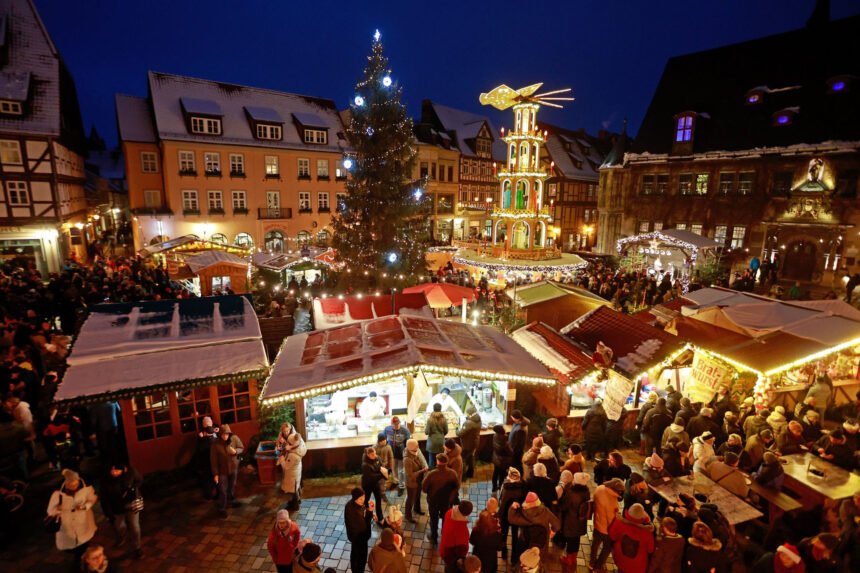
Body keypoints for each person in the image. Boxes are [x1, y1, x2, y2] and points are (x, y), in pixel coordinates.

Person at [46, 469, 98, 563]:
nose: (74, 487)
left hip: (83, 523)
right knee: (75, 550)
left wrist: (85, 506)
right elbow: (50, 511)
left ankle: (84, 563)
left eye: (75, 484)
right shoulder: (58, 494)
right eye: (71, 485)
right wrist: (58, 509)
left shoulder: (86, 489)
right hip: (67, 527)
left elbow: (93, 499)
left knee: (84, 546)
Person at [101, 462, 144, 559]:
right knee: (120, 526)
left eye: (117, 470)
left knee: (135, 527)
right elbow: (104, 498)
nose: (114, 473)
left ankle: (137, 547)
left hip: (131, 504)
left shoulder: (131, 472)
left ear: (123, 469)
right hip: (116, 507)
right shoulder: (106, 480)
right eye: (112, 470)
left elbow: (139, 480)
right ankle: (122, 537)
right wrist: (108, 513)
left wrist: (132, 488)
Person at [422, 453, 460, 544]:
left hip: (433, 501)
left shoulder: (432, 474)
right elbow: (456, 486)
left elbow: (424, 488)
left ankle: (434, 536)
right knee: (446, 518)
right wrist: (451, 497)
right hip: (447, 502)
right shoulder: (452, 473)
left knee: (433, 519)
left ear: (438, 462)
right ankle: (445, 534)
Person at [590, 478, 625, 571]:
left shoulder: (599, 488)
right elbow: (611, 520)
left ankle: (591, 563)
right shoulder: (613, 503)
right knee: (607, 548)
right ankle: (597, 566)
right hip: (606, 530)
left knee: (595, 544)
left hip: (597, 523)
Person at [556, 471, 590, 566]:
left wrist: (558, 505)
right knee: (576, 540)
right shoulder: (586, 492)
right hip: (580, 521)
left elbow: (564, 506)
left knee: (570, 541)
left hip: (571, 521)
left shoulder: (572, 493)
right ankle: (573, 558)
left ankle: (569, 560)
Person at [608, 503, 655, 573]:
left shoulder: (619, 522)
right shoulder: (647, 533)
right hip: (637, 564)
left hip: (621, 558)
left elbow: (612, 536)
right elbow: (650, 550)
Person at [210, 423, 244, 517]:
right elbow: (214, 460)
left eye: (227, 434)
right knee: (223, 490)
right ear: (220, 434)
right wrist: (216, 474)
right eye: (223, 434)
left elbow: (241, 447)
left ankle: (231, 501)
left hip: (233, 468)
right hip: (222, 471)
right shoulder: (215, 444)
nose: (225, 436)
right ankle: (222, 508)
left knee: (231, 486)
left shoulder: (234, 439)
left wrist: (236, 451)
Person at [499, 467, 527, 562]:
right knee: (515, 534)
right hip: (516, 515)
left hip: (505, 516)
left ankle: (504, 552)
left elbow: (502, 505)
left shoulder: (507, 488)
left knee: (504, 534)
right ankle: (514, 557)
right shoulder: (522, 486)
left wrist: (499, 515)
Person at [344, 487, 374, 573]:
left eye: (363, 497)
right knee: (360, 558)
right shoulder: (353, 511)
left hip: (357, 538)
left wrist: (369, 511)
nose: (363, 500)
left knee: (356, 555)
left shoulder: (353, 505)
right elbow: (364, 524)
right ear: (355, 499)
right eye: (360, 499)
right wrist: (370, 513)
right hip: (359, 539)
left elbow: (363, 513)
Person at [440, 501, 473, 573]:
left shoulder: (450, 512)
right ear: (467, 514)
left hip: (444, 548)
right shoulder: (462, 531)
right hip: (450, 556)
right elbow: (462, 551)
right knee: (450, 569)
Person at [279, 432, 307, 511]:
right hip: (296, 471)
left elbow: (286, 467)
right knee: (296, 488)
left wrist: (281, 460)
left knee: (293, 490)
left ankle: (295, 506)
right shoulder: (299, 444)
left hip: (292, 474)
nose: (287, 444)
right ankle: (297, 501)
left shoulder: (293, 455)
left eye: (289, 443)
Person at [403, 438, 428, 522]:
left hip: (418, 480)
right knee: (410, 499)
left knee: (417, 496)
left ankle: (417, 509)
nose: (418, 446)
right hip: (412, 483)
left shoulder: (415, 451)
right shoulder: (407, 460)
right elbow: (410, 475)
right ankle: (408, 515)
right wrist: (422, 471)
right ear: (412, 447)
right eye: (417, 445)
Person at [195, 416, 218, 499]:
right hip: (207, 459)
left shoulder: (206, 433)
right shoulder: (202, 436)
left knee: (210, 477)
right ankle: (211, 494)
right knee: (210, 477)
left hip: (210, 459)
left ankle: (211, 494)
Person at [361, 446, 387, 522]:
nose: (375, 455)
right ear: (368, 455)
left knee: (378, 500)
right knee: (366, 500)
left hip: (376, 483)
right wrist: (382, 475)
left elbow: (381, 467)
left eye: (375, 453)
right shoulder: (365, 465)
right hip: (367, 484)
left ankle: (380, 517)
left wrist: (383, 472)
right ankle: (365, 515)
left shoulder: (377, 458)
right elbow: (371, 477)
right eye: (372, 455)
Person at [383, 419, 411, 487]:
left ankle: (402, 484)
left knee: (401, 470)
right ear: (391, 424)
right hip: (392, 454)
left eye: (398, 423)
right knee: (394, 469)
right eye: (395, 424)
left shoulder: (405, 430)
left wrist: (407, 453)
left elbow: (408, 442)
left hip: (401, 453)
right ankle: (396, 482)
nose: (397, 425)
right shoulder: (387, 429)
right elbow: (383, 438)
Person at [458, 407, 482, 480]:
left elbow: (460, 433)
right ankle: (470, 473)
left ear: (469, 414)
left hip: (467, 444)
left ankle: (463, 477)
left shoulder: (469, 423)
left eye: (467, 413)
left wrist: (457, 430)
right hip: (475, 442)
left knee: (463, 459)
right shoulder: (479, 420)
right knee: (471, 457)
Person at [425, 403, 448, 468]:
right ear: (440, 409)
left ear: (433, 409)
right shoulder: (444, 419)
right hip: (441, 442)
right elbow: (446, 431)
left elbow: (426, 432)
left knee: (431, 461)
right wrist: (441, 435)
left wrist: (431, 433)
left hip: (432, 443)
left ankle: (431, 475)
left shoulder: (430, 420)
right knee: (441, 461)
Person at [491, 424, 513, 492]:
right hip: (503, 460)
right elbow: (510, 452)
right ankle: (501, 486)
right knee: (502, 474)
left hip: (496, 458)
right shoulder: (505, 442)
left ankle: (494, 487)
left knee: (495, 473)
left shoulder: (495, 436)